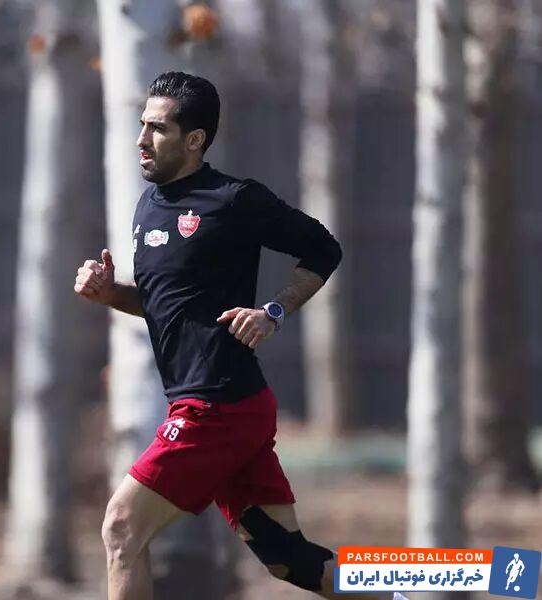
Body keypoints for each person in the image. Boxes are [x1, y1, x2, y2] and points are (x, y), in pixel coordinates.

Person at [75, 72, 399, 600]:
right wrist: (109, 293)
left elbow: (324, 248)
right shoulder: (148, 206)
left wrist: (272, 311)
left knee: (121, 527)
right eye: (142, 125)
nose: (141, 139)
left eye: (157, 128)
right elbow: (163, 305)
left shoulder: (233, 199)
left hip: (216, 406)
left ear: (195, 139)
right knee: (290, 560)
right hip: (231, 407)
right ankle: (452, 580)